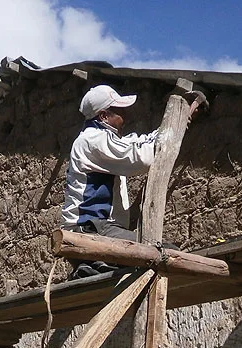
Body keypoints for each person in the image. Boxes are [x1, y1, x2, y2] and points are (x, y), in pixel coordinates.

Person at [61, 84, 200, 279]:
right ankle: (95, 265)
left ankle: (94, 267)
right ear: (103, 116)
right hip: (91, 230)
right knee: (166, 254)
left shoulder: (97, 138)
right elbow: (142, 157)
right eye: (118, 111)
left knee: (142, 260)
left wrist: (177, 121)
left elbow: (136, 143)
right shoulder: (94, 140)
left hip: (92, 230)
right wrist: (178, 122)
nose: (124, 117)